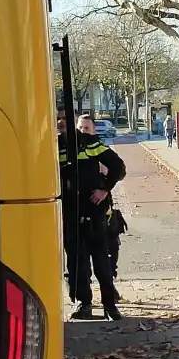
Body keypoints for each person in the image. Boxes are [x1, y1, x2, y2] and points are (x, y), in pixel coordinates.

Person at [58, 107, 127, 320]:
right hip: (70, 213)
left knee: (101, 261)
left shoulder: (89, 143)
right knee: (77, 262)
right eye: (57, 119)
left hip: (94, 213)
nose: (60, 122)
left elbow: (118, 167)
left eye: (64, 118)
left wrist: (104, 188)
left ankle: (110, 306)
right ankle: (83, 304)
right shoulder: (53, 146)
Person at [77, 113, 126, 277]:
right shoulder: (71, 148)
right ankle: (83, 298)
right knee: (80, 258)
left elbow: (120, 170)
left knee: (108, 253)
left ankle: (110, 289)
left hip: (102, 209)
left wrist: (105, 187)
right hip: (78, 210)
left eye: (86, 128)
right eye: (80, 128)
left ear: (94, 129)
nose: (83, 131)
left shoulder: (100, 148)